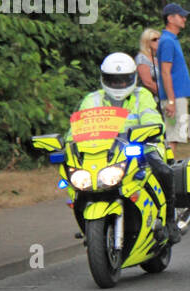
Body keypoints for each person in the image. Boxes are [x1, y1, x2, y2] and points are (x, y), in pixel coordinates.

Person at [75, 52, 180, 243]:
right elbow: (75, 130)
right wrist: (68, 143)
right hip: (105, 152)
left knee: (163, 171)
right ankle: (90, 230)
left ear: (133, 78)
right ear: (104, 79)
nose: (118, 85)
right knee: (78, 182)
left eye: (123, 80)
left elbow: (154, 121)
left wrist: (149, 131)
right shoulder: (92, 99)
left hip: (142, 147)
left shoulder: (143, 96)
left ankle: (170, 221)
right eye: (113, 80)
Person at [158, 2, 190, 153]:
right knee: (172, 137)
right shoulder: (167, 41)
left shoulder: (171, 40)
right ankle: (167, 171)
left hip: (177, 96)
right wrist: (171, 101)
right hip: (174, 97)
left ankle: (168, 168)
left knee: (176, 136)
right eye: (181, 16)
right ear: (170, 19)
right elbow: (165, 72)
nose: (184, 19)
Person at [136, 28, 162, 98]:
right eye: (154, 40)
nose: (158, 41)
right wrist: (164, 94)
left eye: (160, 39)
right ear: (146, 42)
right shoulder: (141, 58)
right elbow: (147, 82)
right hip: (147, 99)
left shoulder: (157, 59)